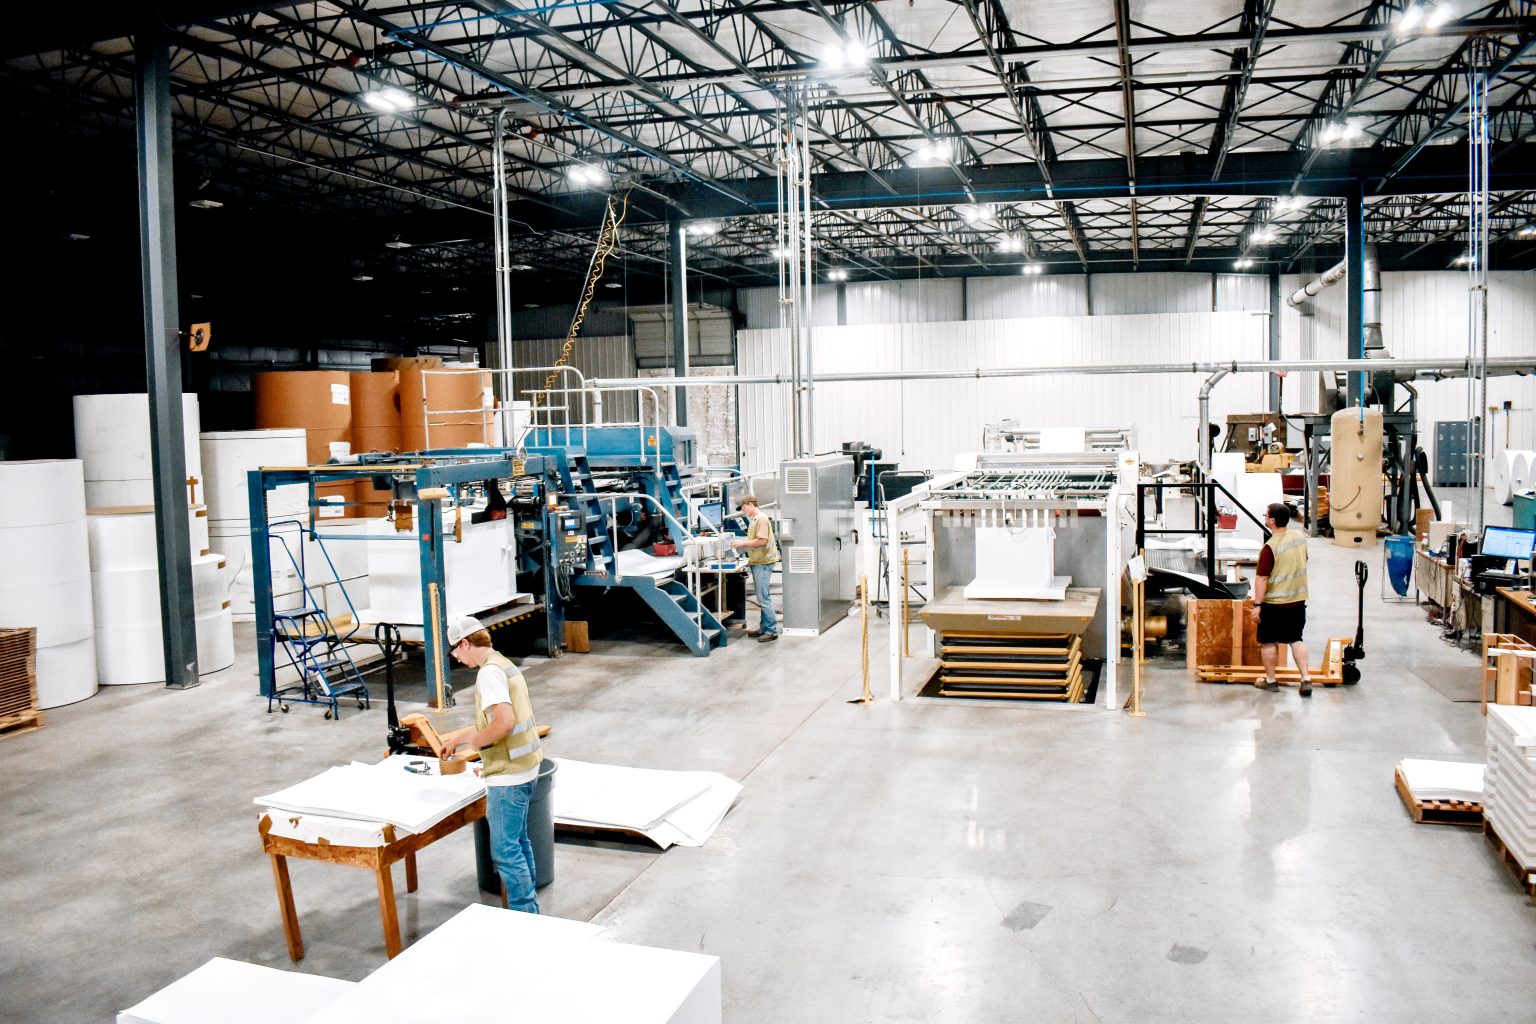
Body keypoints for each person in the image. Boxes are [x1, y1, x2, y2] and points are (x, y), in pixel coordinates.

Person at [437, 615, 544, 912]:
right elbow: (492, 719)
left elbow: (504, 722)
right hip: (525, 767)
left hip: (508, 776)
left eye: (455, 651)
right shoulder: (501, 664)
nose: (456, 658)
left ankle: (526, 916)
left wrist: (477, 743)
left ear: (466, 643)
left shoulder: (488, 674)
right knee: (519, 843)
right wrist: (458, 739)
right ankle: (531, 910)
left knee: (506, 852)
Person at [1250, 502, 1312, 697]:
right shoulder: (1299, 537)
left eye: (1266, 516)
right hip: (1297, 600)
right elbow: (1305, 559)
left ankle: (1270, 681)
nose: (1265, 518)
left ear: (1272, 520)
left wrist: (1257, 605)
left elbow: (1261, 578)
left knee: (1268, 642)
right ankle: (1306, 679)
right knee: (1296, 639)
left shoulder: (1271, 547)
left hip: (1274, 603)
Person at [731, 495, 780, 642]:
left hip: (763, 562)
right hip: (758, 561)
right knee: (762, 596)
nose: (742, 511)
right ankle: (764, 628)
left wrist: (742, 544)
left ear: (749, 504)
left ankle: (771, 630)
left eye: (743, 507)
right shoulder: (754, 520)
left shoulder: (761, 519)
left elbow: (762, 541)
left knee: (763, 597)